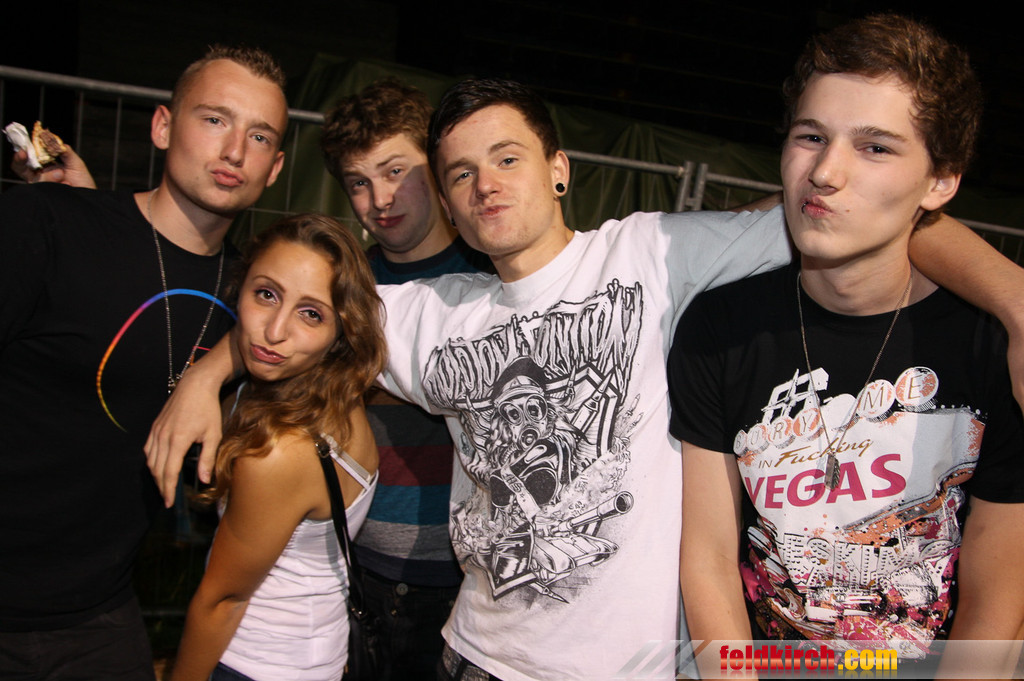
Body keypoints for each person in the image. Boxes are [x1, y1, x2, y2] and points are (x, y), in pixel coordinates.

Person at [146, 76, 1024, 681]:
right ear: (447, 201)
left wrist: (1016, 302)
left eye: (507, 158)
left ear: (559, 168)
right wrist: (207, 374)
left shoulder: (652, 252)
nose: (486, 184)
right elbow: (295, 299)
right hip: (475, 655)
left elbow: (861, 214)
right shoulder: (428, 313)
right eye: (461, 173)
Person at [667, 12, 1024, 675]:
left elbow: (997, 599)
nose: (825, 172)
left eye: (876, 147)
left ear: (941, 181)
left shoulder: (992, 347)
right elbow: (709, 557)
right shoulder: (719, 327)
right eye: (810, 136)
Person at [0, 45, 288, 680]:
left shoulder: (255, 298)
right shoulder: (45, 221)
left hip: (98, 613)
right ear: (162, 127)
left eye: (259, 135)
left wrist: (210, 370)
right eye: (214, 119)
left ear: (275, 168)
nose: (234, 150)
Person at [320, 78, 491, 679]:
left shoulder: (492, 275)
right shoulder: (344, 288)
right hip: (355, 565)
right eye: (358, 182)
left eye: (396, 171)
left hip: (463, 583)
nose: (380, 199)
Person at [169, 213, 387, 681]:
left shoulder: (279, 450)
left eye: (311, 314)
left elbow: (222, 601)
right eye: (266, 294)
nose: (274, 331)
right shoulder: (336, 398)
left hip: (252, 661)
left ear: (341, 331)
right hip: (317, 656)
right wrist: (202, 377)